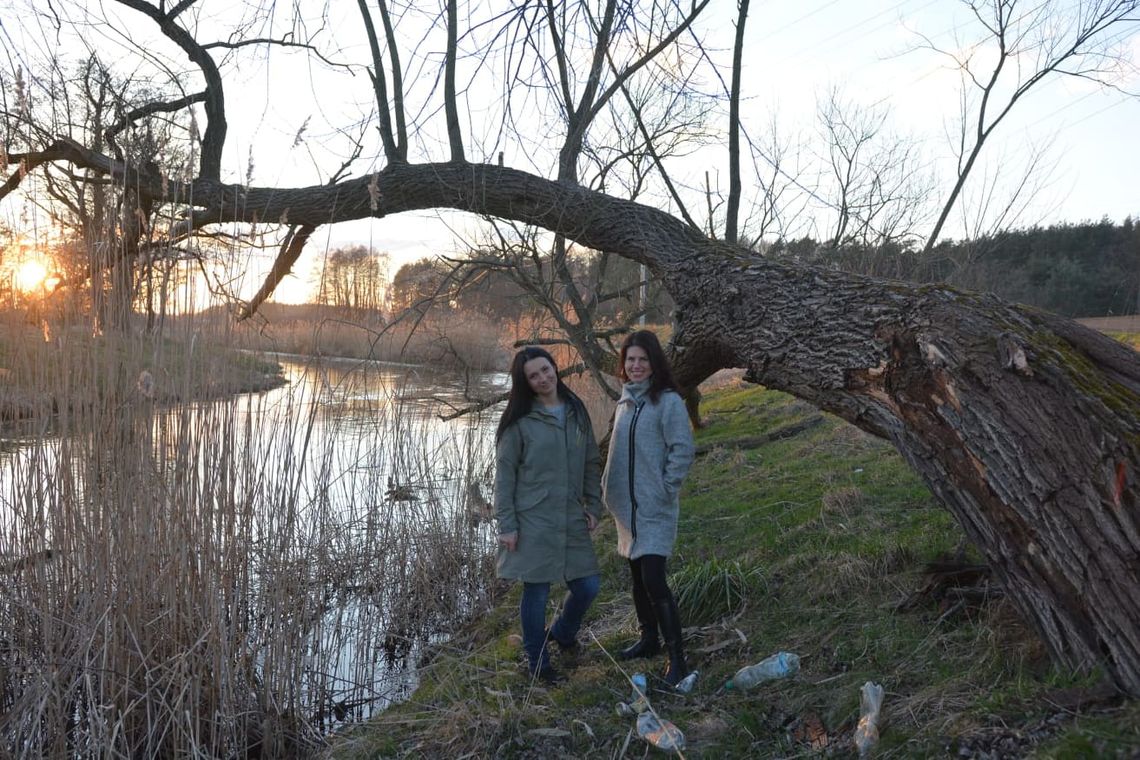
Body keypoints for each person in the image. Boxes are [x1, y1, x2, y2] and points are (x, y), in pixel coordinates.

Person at [494, 347, 603, 684]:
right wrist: (507, 525)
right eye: (534, 375)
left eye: (546, 369)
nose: (543, 378)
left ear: (555, 367)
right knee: (537, 592)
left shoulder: (576, 411)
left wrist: (593, 505)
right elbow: (505, 474)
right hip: (533, 519)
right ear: (525, 382)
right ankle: (538, 662)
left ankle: (564, 633)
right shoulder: (520, 421)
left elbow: (590, 462)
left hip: (570, 515)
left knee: (588, 585)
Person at [603, 330, 696, 688]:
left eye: (643, 359)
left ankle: (678, 659)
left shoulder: (668, 401)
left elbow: (682, 450)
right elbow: (616, 452)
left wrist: (664, 489)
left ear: (654, 362)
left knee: (654, 580)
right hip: (628, 510)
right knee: (637, 580)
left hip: (654, 508)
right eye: (630, 359)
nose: (636, 365)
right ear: (624, 365)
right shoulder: (625, 402)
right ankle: (648, 640)